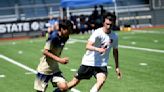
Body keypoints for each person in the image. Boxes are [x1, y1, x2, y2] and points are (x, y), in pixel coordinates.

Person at [67, 13, 122, 92]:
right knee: (74, 83)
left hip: (101, 64)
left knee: (101, 81)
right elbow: (87, 46)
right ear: (103, 22)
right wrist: (98, 49)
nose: (109, 26)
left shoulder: (114, 36)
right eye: (107, 24)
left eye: (111, 24)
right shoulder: (97, 33)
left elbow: (115, 51)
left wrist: (117, 67)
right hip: (88, 62)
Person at [34, 20, 73, 92]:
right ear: (61, 29)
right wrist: (59, 59)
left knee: (64, 87)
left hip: (54, 69)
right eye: (68, 30)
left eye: (71, 30)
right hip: (44, 69)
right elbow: (45, 51)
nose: (70, 32)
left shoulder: (65, 37)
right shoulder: (53, 37)